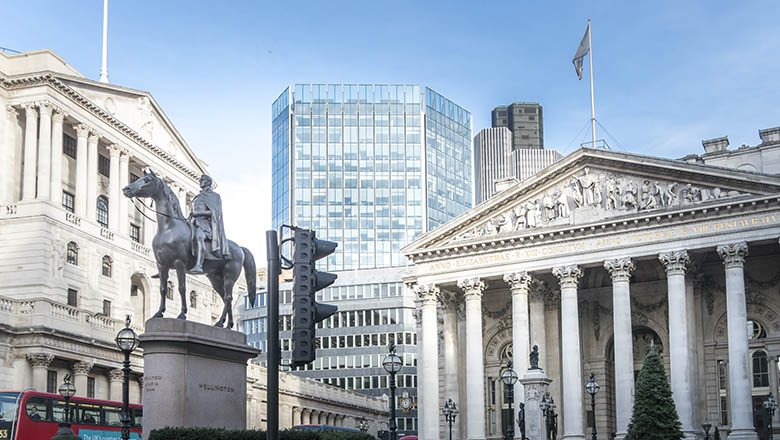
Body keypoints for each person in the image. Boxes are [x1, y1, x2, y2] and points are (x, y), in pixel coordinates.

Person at [189, 174, 229, 274]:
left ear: (208, 182)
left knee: (199, 237)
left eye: (202, 180)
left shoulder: (214, 196)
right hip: (194, 222)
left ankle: (199, 265)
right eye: (200, 179)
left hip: (206, 224)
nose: (200, 181)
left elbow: (215, 212)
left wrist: (198, 213)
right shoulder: (198, 197)